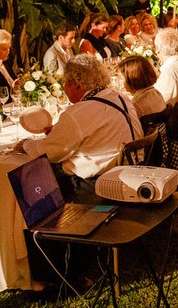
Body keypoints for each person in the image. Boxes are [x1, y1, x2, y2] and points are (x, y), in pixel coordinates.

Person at [22, 54, 142, 200]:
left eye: (65, 82)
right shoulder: (119, 97)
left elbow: (49, 153)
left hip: (99, 187)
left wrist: (26, 144)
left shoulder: (78, 112)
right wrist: (59, 133)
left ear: (76, 84)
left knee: (32, 174)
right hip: (133, 173)